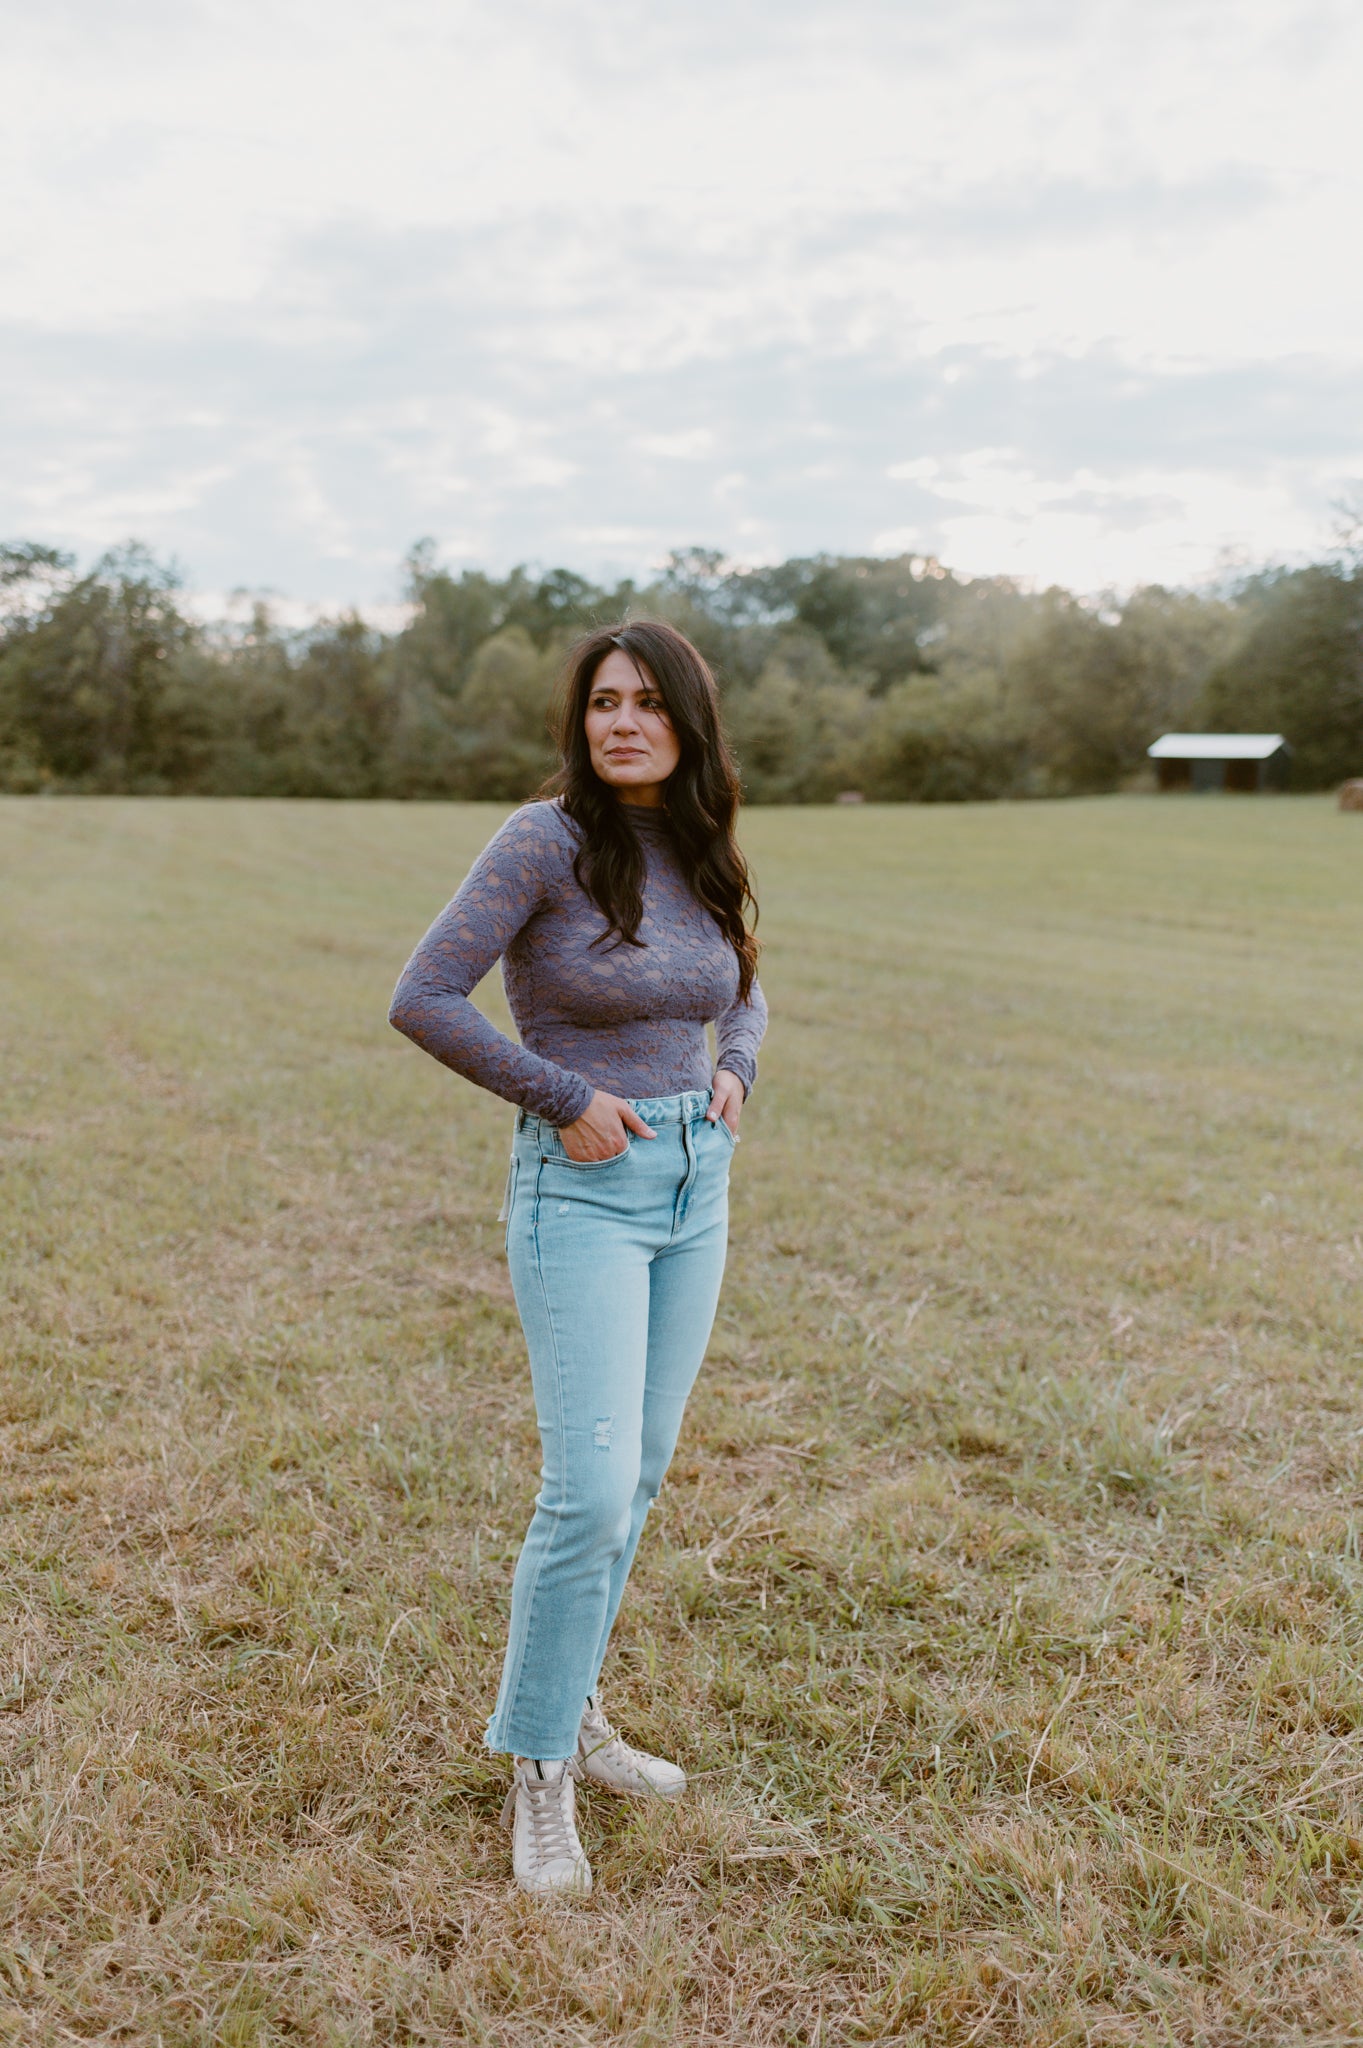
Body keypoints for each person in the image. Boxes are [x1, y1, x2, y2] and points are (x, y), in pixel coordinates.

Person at [388, 619, 767, 1896]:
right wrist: (561, 1094)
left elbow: (746, 979)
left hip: (694, 1184)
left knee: (641, 1479)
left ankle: (577, 1708)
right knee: (589, 1493)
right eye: (603, 701)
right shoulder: (543, 839)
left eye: (647, 702)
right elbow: (424, 994)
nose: (620, 721)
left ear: (685, 723)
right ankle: (541, 1769)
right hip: (584, 1186)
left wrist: (734, 1068)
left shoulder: (704, 840)